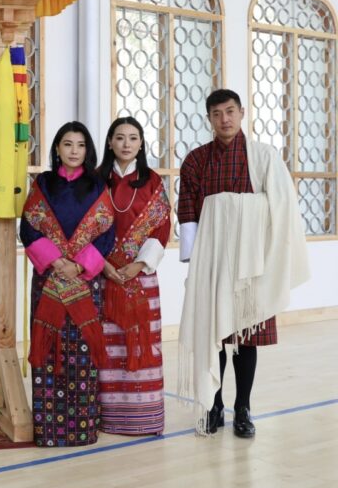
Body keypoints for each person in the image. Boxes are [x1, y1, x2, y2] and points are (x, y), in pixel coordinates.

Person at [177, 89, 309, 437]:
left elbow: (281, 206)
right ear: (209, 118)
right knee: (215, 335)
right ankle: (215, 404)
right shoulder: (195, 160)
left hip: (252, 265)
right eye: (217, 113)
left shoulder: (264, 157)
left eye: (231, 111)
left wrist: (230, 205)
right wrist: (195, 261)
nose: (225, 119)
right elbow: (189, 210)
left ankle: (244, 408)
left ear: (242, 112)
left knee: (246, 337)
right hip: (213, 262)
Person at [20, 121, 115, 447]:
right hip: (49, 277)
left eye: (80, 145)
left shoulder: (98, 185)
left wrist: (78, 265)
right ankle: (48, 431)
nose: (74, 151)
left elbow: (106, 234)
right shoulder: (42, 184)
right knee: (47, 349)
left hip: (84, 282)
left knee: (83, 353)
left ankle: (83, 428)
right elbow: (29, 229)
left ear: (88, 150)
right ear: (57, 148)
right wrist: (56, 261)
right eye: (67, 144)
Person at [97, 117, 171, 435]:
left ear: (141, 144)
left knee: (142, 343)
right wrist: (103, 265)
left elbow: (162, 226)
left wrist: (139, 265)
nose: (126, 144)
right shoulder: (96, 180)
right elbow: (84, 229)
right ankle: (109, 417)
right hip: (103, 276)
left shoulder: (152, 181)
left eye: (133, 138)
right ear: (110, 142)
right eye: (120, 137)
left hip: (140, 276)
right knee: (107, 346)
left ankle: (145, 418)